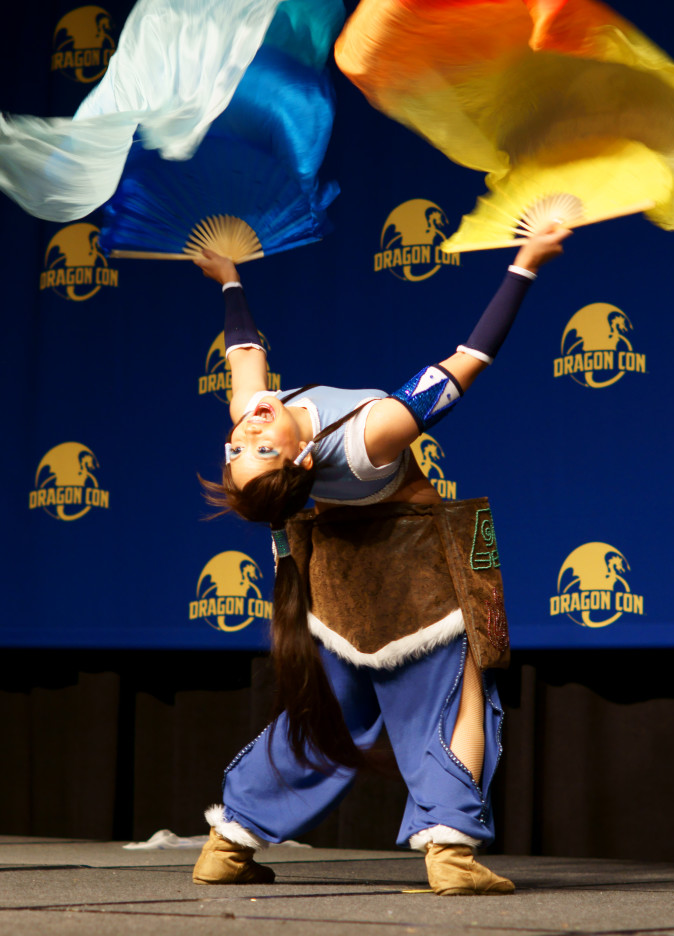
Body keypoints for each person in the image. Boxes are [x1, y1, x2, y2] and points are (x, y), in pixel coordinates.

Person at [192, 225, 569, 895]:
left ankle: (229, 844)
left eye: (241, 446)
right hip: (412, 587)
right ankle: (450, 855)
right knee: (458, 708)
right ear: (302, 464)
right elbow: (467, 360)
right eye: (256, 448)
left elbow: (244, 352)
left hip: (335, 593)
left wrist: (229, 279)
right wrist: (525, 265)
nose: (246, 432)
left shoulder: (256, 410)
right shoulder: (370, 437)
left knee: (323, 718)